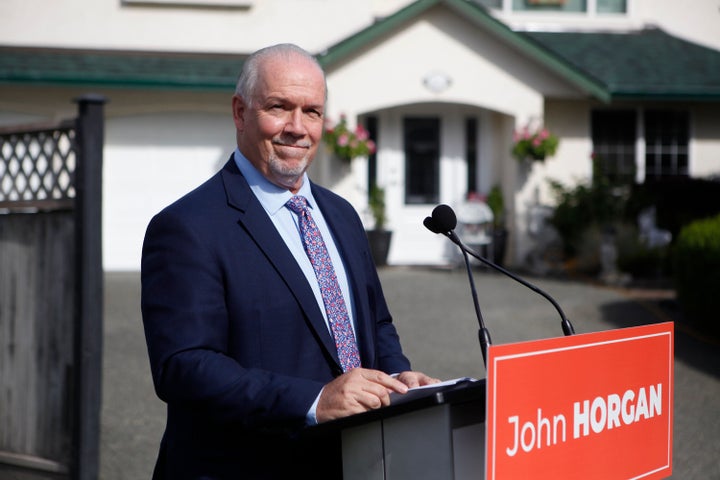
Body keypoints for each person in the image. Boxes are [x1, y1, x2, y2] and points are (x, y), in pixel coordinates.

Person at [141, 43, 439, 479]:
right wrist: (315, 400)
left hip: (353, 460)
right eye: (279, 108)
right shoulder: (188, 227)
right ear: (240, 112)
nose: (297, 128)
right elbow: (184, 366)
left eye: (312, 112)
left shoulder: (341, 214)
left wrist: (398, 378)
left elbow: (374, 323)